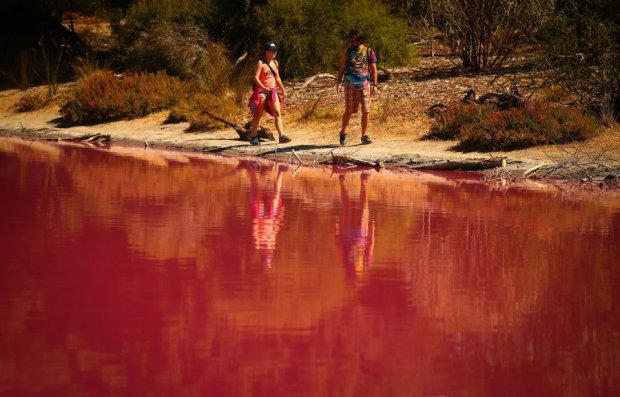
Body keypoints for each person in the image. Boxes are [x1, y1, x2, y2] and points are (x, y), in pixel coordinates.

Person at [336, 29, 378, 146]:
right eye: (350, 40)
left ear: (360, 40)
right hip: (350, 84)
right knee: (348, 111)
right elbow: (341, 68)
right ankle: (343, 131)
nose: (351, 43)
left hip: (364, 84)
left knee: (366, 110)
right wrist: (339, 82)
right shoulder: (347, 52)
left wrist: (375, 85)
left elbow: (374, 69)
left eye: (353, 41)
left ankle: (364, 135)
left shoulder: (369, 52)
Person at [248, 42, 291, 146]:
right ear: (266, 51)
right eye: (272, 50)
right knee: (258, 115)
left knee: (277, 113)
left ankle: (281, 136)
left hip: (272, 91)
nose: (274, 52)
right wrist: (263, 87)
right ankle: (253, 137)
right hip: (262, 92)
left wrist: (283, 90)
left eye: (275, 50)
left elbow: (277, 78)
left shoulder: (275, 63)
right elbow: (256, 78)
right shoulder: (260, 63)